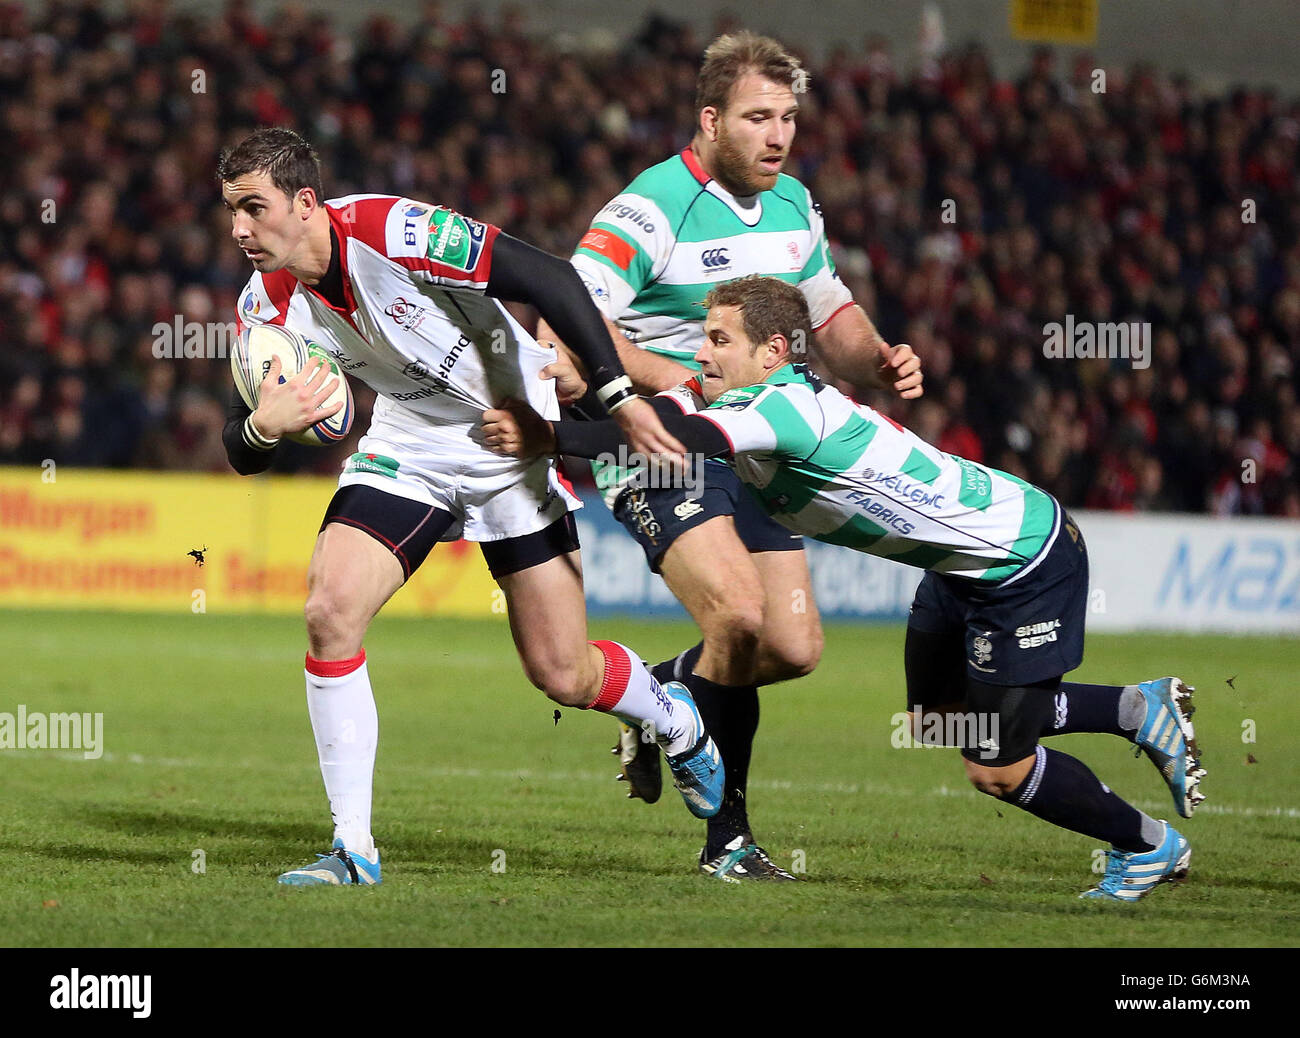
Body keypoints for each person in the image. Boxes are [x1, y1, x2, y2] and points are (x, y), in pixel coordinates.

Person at [485, 275, 1207, 901]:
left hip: (1021, 563)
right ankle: (1134, 708)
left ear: (772, 353)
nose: (699, 352)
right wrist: (586, 398)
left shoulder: (783, 411)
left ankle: (1147, 846)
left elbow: (669, 436)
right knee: (938, 720)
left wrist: (548, 437)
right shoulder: (765, 399)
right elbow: (668, 406)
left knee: (996, 767)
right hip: (961, 569)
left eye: (717, 340)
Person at [218, 127, 725, 885]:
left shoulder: (396, 232)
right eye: (230, 211)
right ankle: (353, 849)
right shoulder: (264, 306)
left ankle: (672, 716)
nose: (238, 229)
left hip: (514, 434)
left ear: (304, 203)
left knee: (562, 674)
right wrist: (265, 425)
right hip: (409, 445)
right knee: (330, 611)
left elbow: (551, 277)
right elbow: (240, 450)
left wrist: (614, 396)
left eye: (253, 209)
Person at [537, 31, 923, 882]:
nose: (778, 136)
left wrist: (883, 359)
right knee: (738, 619)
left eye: (788, 118)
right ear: (710, 121)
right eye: (757, 118)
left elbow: (831, 319)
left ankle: (657, 700)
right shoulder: (650, 209)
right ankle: (730, 844)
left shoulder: (794, 208)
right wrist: (660, 373)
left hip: (757, 448)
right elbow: (561, 322)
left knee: (791, 647)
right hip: (661, 443)